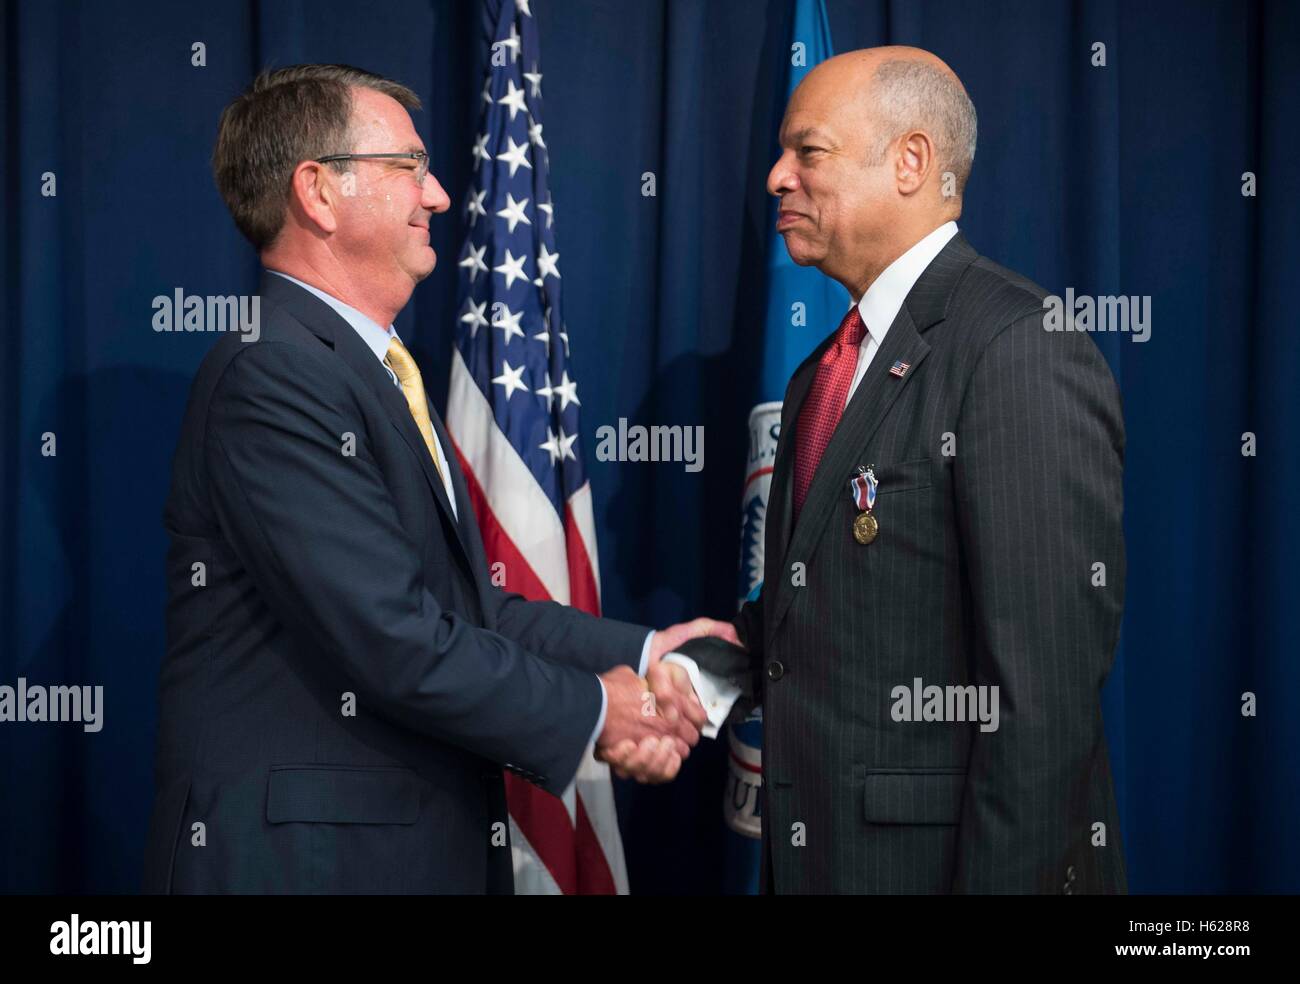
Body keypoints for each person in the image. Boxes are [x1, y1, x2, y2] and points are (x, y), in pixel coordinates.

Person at [143, 64, 729, 894]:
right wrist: (605, 708)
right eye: (410, 166)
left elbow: (460, 610)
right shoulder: (274, 374)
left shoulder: (371, 369)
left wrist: (642, 650)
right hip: (304, 869)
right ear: (318, 192)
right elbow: (391, 637)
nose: (441, 195)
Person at [683, 46, 1128, 893]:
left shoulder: (1017, 347)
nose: (777, 177)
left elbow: (1042, 701)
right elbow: (831, 614)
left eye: (807, 151)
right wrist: (687, 670)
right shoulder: (819, 374)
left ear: (912, 161)